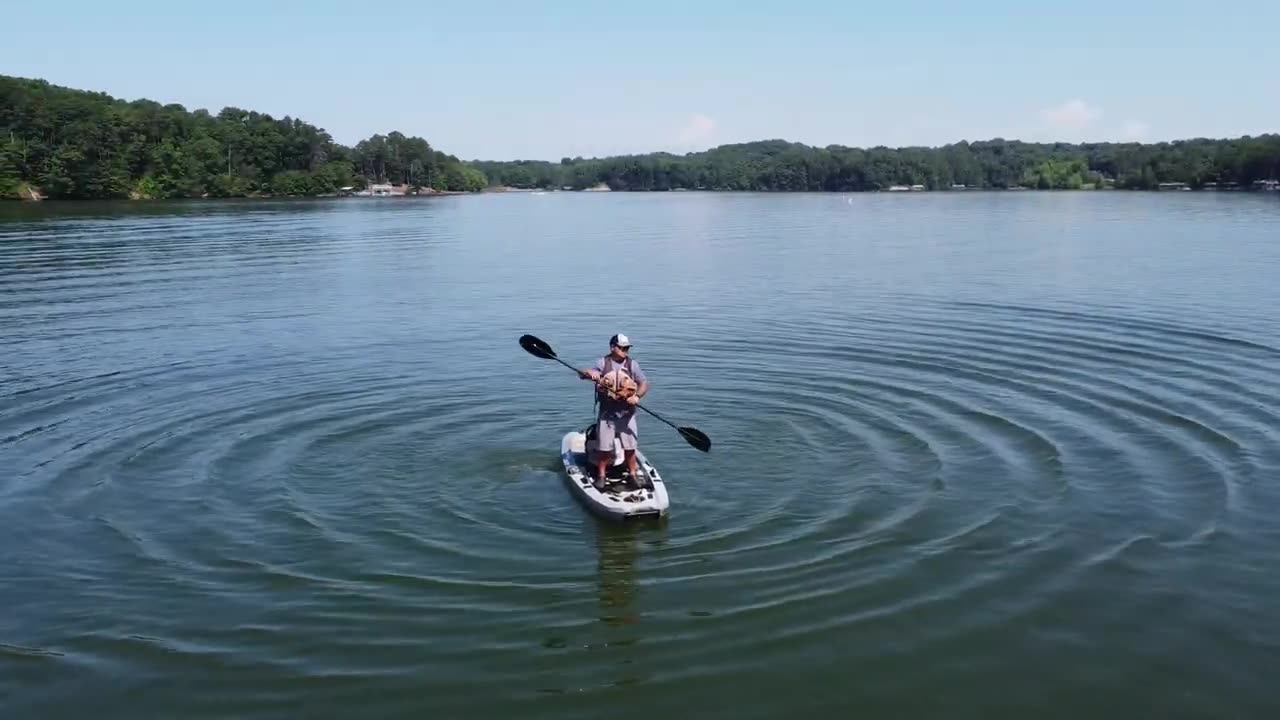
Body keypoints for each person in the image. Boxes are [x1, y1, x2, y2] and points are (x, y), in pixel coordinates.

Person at [578, 333, 649, 490]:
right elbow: (582, 375)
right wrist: (591, 373)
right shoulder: (602, 363)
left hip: (627, 413)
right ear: (612, 347)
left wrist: (637, 396)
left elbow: (643, 383)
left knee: (630, 448)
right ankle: (601, 476)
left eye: (627, 348)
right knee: (604, 449)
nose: (625, 351)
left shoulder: (632, 365)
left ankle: (632, 474)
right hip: (607, 414)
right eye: (622, 347)